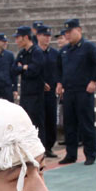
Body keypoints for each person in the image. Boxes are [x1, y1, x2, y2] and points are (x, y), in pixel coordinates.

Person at [55, 18, 96, 166]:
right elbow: (59, 68)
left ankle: (90, 154)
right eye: (66, 33)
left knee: (86, 123)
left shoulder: (88, 47)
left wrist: (94, 81)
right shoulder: (64, 50)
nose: (68, 35)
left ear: (79, 30)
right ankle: (71, 154)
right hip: (69, 91)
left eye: (70, 31)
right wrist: (59, 83)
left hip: (83, 91)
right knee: (69, 124)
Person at [12, 26, 46, 142]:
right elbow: (14, 69)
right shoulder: (22, 53)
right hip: (25, 92)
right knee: (26, 121)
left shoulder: (37, 52)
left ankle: (41, 148)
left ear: (26, 37)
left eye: (18, 38)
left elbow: (34, 70)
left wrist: (23, 67)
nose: (16, 41)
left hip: (36, 93)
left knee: (37, 122)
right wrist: (24, 68)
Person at [38, 25, 60, 158]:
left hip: (51, 91)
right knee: (39, 120)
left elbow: (59, 70)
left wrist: (59, 83)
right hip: (37, 92)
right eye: (44, 36)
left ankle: (49, 147)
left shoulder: (55, 54)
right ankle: (40, 147)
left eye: (49, 36)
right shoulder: (34, 52)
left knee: (51, 119)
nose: (47, 38)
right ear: (38, 36)